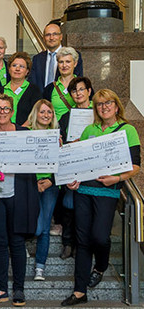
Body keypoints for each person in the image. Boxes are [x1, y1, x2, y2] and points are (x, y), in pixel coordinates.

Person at [61, 89, 140, 306]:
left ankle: (101, 266)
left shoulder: (127, 130)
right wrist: (72, 180)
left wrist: (117, 179)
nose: (103, 107)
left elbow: (135, 166)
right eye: (99, 104)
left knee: (100, 237)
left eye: (108, 103)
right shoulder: (89, 130)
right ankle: (79, 291)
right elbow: (77, 161)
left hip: (108, 191)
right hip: (83, 191)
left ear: (116, 106)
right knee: (82, 240)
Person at [0, 94, 40, 307]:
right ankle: (1, 288)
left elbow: (40, 157)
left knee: (16, 242)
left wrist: (53, 146)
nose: (2, 112)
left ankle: (19, 289)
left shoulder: (25, 133)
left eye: (6, 108)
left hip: (19, 195)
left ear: (12, 111)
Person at [57, 77, 94, 260]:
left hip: (92, 165)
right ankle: (67, 242)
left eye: (81, 89)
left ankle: (81, 245)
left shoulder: (98, 112)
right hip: (72, 163)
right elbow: (61, 139)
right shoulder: (66, 117)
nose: (78, 93)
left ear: (89, 91)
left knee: (85, 207)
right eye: (74, 91)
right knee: (68, 204)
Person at [24, 100, 60, 282]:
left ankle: (40, 267)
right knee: (32, 226)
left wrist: (50, 181)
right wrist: (34, 183)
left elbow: (64, 165)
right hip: (30, 184)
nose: (46, 115)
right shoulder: (25, 134)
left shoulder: (57, 136)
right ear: (35, 113)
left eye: (50, 112)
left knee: (44, 228)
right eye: (42, 112)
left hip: (51, 186)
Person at [29, 22, 83, 91]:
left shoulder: (72, 55)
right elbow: (33, 83)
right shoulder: (37, 59)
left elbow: (78, 81)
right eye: (48, 35)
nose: (51, 38)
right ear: (44, 38)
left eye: (55, 34)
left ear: (61, 37)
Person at [0, 52, 42, 126]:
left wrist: (19, 130)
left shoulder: (34, 90)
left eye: (22, 66)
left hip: (26, 133)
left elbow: (36, 114)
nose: (17, 69)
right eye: (14, 65)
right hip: (3, 133)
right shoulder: (0, 91)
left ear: (27, 71)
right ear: (9, 69)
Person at [42, 47, 79, 120]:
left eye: (68, 61)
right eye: (61, 62)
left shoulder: (83, 85)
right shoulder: (49, 88)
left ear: (75, 63)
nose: (64, 65)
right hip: (56, 129)